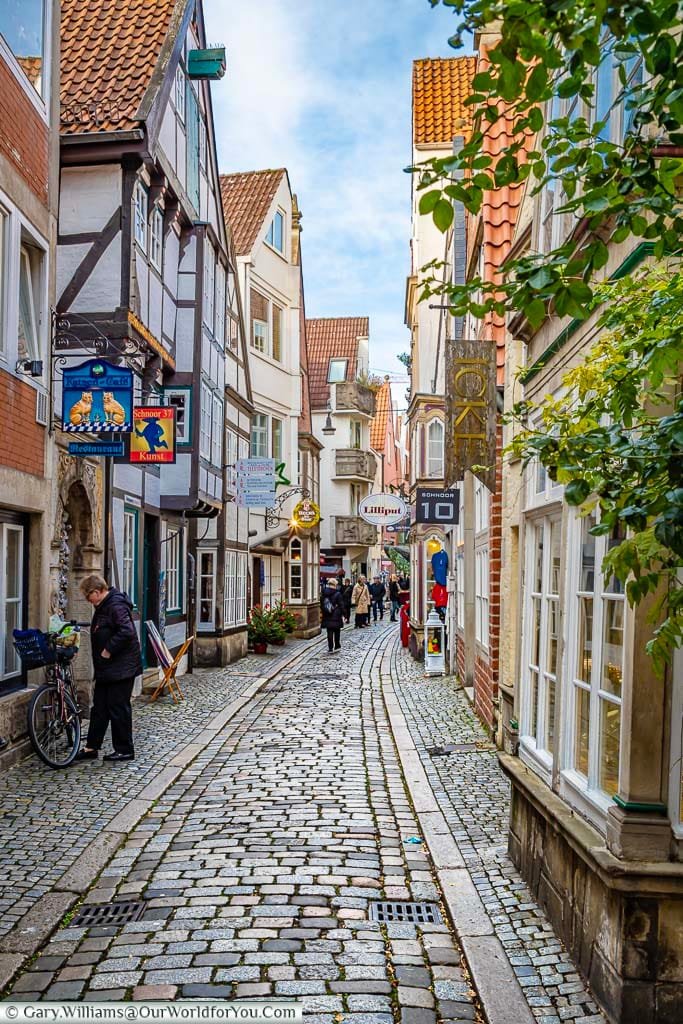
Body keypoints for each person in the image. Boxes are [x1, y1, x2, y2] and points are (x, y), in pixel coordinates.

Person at [74, 574, 142, 763]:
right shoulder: (105, 605)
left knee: (118, 708)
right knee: (100, 708)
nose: (89, 601)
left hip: (121, 667)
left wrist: (108, 650)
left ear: (96, 592)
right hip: (108, 669)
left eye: (89, 597)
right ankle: (91, 747)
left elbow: (126, 631)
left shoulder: (115, 605)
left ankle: (124, 749)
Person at [321, 578, 344, 654]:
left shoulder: (324, 593)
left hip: (327, 615)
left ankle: (330, 647)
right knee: (337, 631)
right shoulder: (338, 594)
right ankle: (337, 645)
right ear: (335, 585)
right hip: (336, 615)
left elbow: (322, 604)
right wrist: (344, 614)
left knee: (329, 631)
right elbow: (341, 605)